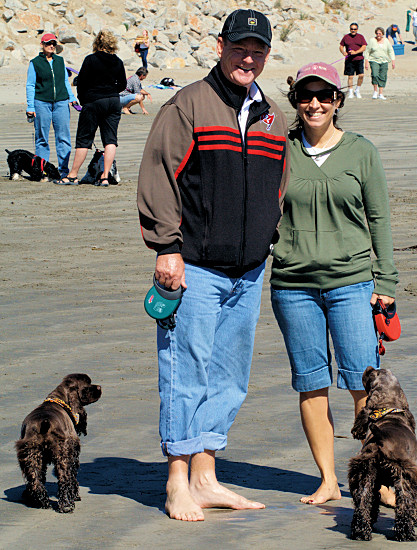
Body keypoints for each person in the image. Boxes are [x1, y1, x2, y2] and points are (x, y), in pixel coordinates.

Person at [137, 9, 290, 521]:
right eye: (240, 48)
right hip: (194, 267)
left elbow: (280, 187)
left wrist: (267, 237)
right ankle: (177, 480)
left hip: (248, 271)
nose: (248, 58)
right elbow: (159, 173)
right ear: (220, 46)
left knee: (229, 377)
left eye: (258, 50)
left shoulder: (272, 116)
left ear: (267, 54)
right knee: (185, 370)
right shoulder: (189, 106)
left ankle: (206, 476)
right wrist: (167, 247)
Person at [270, 62, 398, 506]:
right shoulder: (279, 150)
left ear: (338, 101)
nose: (315, 104)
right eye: (306, 96)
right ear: (296, 101)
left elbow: (379, 219)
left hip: (352, 283)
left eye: (325, 95)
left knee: (364, 384)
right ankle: (327, 478)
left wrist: (387, 281)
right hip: (292, 285)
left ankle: (376, 480)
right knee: (311, 383)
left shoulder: (361, 151)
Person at [56, 31, 127, 186]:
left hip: (94, 101)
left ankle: (73, 175)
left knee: (84, 139)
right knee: (110, 140)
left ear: (97, 43)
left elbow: (81, 82)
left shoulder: (91, 59)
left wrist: (83, 100)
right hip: (113, 101)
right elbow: (123, 84)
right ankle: (105, 176)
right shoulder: (118, 61)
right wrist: (111, 90)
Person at [26, 33, 77, 179]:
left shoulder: (60, 61)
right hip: (41, 103)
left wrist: (72, 97)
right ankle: (43, 170)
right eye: (48, 43)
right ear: (42, 45)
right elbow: (30, 85)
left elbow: (65, 82)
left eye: (54, 43)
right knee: (42, 138)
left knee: (64, 137)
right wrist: (30, 106)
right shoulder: (35, 62)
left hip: (61, 103)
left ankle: (63, 170)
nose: (51, 46)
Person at [364, 27, 396, 100]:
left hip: (384, 61)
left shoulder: (386, 41)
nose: (378, 35)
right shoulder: (372, 41)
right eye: (377, 33)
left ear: (382, 34)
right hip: (374, 60)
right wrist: (366, 62)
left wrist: (393, 61)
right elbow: (367, 51)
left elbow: (390, 51)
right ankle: (375, 91)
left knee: (383, 76)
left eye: (380, 33)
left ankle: (380, 93)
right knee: (375, 74)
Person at [339, 23, 367, 99]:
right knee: (350, 76)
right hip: (349, 60)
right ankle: (350, 91)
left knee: (361, 75)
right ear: (350, 29)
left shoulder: (360, 37)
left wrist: (356, 52)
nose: (353, 30)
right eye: (352, 29)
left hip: (359, 59)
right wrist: (343, 52)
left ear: (357, 29)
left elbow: (364, 47)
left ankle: (357, 90)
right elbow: (341, 46)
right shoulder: (346, 37)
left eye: (355, 29)